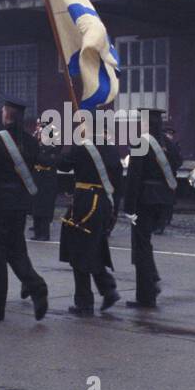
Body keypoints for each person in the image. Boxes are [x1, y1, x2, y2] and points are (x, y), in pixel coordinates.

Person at [0, 97, 47, 321]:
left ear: (6, 115)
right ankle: (36, 286)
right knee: (16, 252)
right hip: (19, 204)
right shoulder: (31, 143)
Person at [57, 117, 123, 315]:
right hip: (104, 202)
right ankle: (107, 288)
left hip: (85, 202)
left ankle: (84, 302)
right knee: (93, 246)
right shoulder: (112, 150)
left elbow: (64, 165)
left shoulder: (82, 147)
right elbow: (118, 183)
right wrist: (114, 211)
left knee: (78, 249)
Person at [123, 109, 181, 306]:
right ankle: (152, 282)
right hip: (163, 200)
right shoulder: (169, 145)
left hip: (144, 200)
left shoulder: (141, 143)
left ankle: (146, 296)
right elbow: (177, 163)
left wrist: (128, 206)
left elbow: (134, 177)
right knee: (145, 245)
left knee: (141, 248)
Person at [31, 117, 60, 241]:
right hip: (37, 177)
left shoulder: (53, 146)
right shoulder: (37, 145)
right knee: (35, 206)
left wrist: (37, 151)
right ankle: (37, 232)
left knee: (45, 207)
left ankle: (44, 233)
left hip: (47, 179)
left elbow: (48, 161)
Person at [156, 124, 180, 233]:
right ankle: (160, 223)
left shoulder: (174, 146)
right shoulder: (158, 144)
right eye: (167, 134)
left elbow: (178, 161)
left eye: (170, 135)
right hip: (159, 177)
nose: (169, 136)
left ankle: (165, 221)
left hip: (169, 176)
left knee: (168, 200)